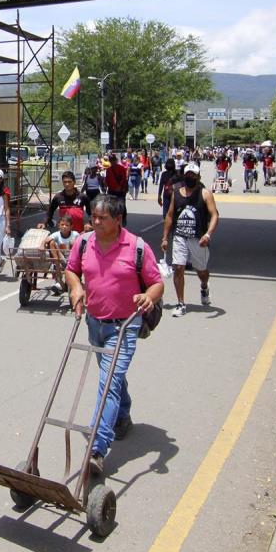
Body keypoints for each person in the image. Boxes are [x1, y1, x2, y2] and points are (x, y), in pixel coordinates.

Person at [65, 194, 164, 477]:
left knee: (108, 383)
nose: (94, 222)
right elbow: (72, 270)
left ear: (118, 219)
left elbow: (157, 283)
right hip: (94, 322)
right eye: (93, 217)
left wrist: (148, 296)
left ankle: (97, 450)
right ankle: (123, 414)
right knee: (113, 377)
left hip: (124, 326)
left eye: (102, 218)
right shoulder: (83, 243)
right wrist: (75, 287)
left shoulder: (136, 247)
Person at [161, 163, 220, 317]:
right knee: (178, 268)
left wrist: (208, 235)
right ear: (183, 175)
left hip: (198, 238)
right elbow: (169, 216)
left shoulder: (205, 193)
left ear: (198, 176)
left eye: (193, 175)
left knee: (201, 270)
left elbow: (214, 215)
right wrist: (165, 238)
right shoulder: (176, 193)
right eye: (188, 174)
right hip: (180, 236)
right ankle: (181, 303)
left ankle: (204, 285)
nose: (190, 177)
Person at [45, 213, 78, 295]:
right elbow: (46, 239)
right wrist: (42, 246)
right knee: (52, 242)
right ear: (59, 226)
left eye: (67, 225)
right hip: (60, 260)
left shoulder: (75, 234)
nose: (64, 227)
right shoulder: (57, 234)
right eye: (62, 225)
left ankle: (64, 285)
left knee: (73, 242)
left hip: (72, 260)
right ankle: (60, 284)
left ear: (71, 227)